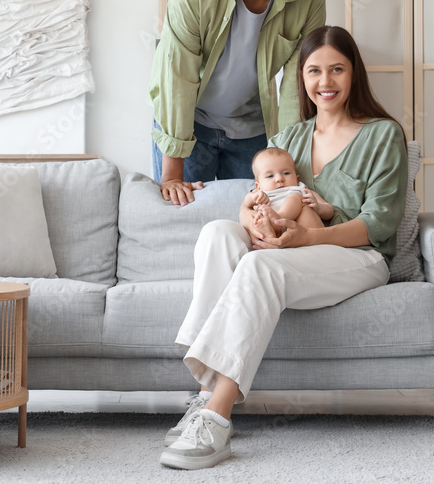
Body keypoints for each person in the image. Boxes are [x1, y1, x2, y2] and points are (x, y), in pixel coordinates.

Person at [159, 25, 407, 470]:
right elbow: (254, 200)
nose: (325, 82)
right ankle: (203, 392)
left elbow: (379, 224)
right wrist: (252, 225)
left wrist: (312, 237)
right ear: (302, 77)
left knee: (261, 269)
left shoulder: (383, 134)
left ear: (355, 74)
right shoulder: (287, 139)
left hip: (355, 255)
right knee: (217, 232)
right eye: (314, 70)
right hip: (291, 248)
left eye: (337, 69)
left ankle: (216, 416)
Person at [149, 0, 327, 205]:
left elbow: (296, 86)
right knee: (185, 224)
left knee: (254, 227)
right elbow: (176, 78)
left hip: (254, 131)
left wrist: (286, 166)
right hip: (190, 126)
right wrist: (173, 174)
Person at [242, 147, 324, 241]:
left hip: (302, 234)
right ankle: (269, 234)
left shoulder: (301, 190)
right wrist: (253, 197)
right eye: (270, 176)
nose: (279, 179)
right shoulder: (261, 193)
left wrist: (319, 207)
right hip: (273, 231)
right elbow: (246, 203)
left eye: (286, 173)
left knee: (296, 197)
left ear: (297, 179)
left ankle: (279, 218)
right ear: (258, 185)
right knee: (259, 219)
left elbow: (330, 209)